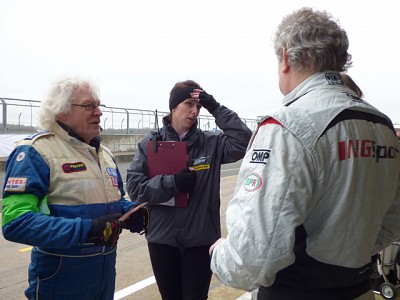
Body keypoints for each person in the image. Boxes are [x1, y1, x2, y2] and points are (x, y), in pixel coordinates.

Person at [209, 7, 400, 300]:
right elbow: (391, 221)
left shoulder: (288, 125)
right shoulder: (381, 124)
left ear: (285, 58)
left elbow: (252, 258)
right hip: (360, 287)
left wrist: (220, 254)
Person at [1, 77, 148, 299]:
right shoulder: (35, 152)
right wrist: (87, 229)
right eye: (89, 106)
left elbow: (114, 201)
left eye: (99, 105)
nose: (98, 112)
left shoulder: (105, 155)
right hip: (60, 279)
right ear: (62, 112)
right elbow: (15, 222)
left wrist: (130, 211)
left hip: (104, 274)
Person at [126, 79, 252, 299]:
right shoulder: (150, 144)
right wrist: (172, 183)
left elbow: (244, 141)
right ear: (173, 107)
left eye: (198, 107)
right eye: (188, 104)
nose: (194, 111)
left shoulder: (211, 143)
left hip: (200, 241)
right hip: (162, 241)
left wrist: (215, 107)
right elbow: (135, 188)